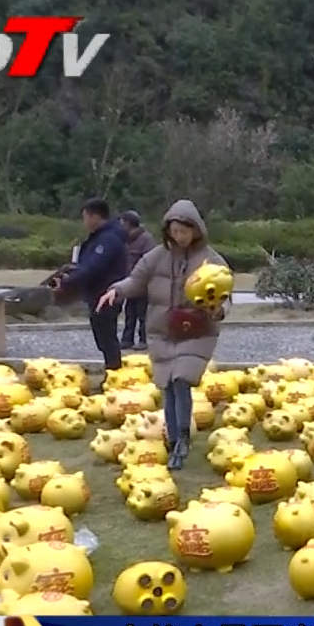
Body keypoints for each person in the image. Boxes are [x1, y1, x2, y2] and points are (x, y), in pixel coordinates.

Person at [98, 200, 230, 469]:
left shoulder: (212, 261)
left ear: (196, 230)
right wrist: (117, 290)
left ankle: (182, 437)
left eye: (184, 231)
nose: (179, 236)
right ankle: (173, 435)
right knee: (167, 385)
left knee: (182, 379)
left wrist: (217, 310)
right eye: (174, 231)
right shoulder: (156, 256)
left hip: (197, 331)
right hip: (162, 331)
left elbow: (226, 296)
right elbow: (136, 280)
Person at [51, 197, 128, 373]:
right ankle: (112, 371)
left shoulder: (108, 239)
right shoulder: (101, 237)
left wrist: (69, 281)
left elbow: (94, 267)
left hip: (106, 293)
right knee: (103, 337)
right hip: (97, 293)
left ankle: (114, 374)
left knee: (107, 338)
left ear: (95, 217)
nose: (84, 222)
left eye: (85, 217)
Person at [118, 210, 155, 351]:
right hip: (128, 281)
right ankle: (127, 339)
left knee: (143, 313)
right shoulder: (124, 240)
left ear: (128, 223)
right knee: (129, 312)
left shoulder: (146, 239)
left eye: (122, 222)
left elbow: (149, 262)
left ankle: (144, 340)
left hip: (143, 283)